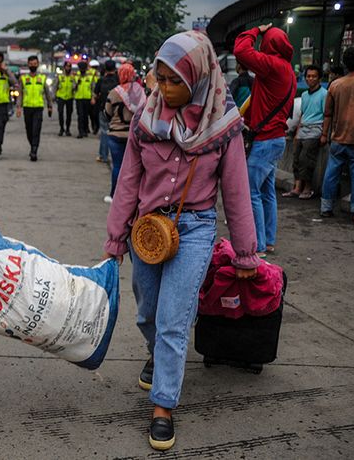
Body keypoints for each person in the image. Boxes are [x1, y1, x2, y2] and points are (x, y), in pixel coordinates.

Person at [103, 31, 259, 452]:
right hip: (147, 230)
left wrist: (247, 252)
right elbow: (128, 185)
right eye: (160, 78)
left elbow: (237, 190)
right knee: (148, 312)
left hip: (195, 229)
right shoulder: (143, 119)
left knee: (174, 318)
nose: (165, 89)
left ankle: (163, 406)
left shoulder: (223, 125)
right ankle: (157, 355)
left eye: (175, 80)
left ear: (199, 78)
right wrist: (115, 240)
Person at [234, 23, 295, 258]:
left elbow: (241, 51)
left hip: (267, 140)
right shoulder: (286, 69)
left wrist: (255, 30)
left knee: (251, 192)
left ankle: (258, 245)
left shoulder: (272, 65)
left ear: (269, 44)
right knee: (267, 192)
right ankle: (268, 240)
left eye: (264, 42)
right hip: (276, 138)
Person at [319, 46, 354, 223]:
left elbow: (327, 113)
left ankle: (326, 207)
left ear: (344, 64)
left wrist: (324, 135)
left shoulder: (335, 85)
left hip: (338, 137)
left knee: (331, 174)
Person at [102, 62, 146, 203]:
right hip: (134, 136)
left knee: (118, 166)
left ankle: (114, 195)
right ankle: (132, 197)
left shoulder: (114, 92)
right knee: (134, 168)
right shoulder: (140, 91)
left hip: (115, 135)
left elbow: (107, 114)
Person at [282, 65, 326, 200]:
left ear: (319, 78)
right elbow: (302, 114)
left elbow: (326, 115)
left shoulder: (324, 94)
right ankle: (297, 188)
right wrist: (297, 132)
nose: (310, 79)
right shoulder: (304, 95)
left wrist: (324, 134)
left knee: (306, 160)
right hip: (302, 130)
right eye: (308, 76)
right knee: (296, 159)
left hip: (315, 130)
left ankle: (307, 188)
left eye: (314, 76)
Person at [16, 55, 53, 161]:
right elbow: (20, 94)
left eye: (35, 64)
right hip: (27, 107)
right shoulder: (23, 78)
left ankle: (34, 150)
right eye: (31, 64)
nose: (33, 65)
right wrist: (19, 107)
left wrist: (50, 106)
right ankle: (32, 145)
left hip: (38, 107)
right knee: (29, 130)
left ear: (38, 64)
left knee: (36, 130)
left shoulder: (42, 78)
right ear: (28, 65)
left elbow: (47, 93)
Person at [92, 59, 119, 164]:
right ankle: (115, 155)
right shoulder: (118, 80)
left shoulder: (101, 80)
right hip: (116, 110)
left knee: (104, 132)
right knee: (116, 132)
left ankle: (103, 155)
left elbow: (95, 95)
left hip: (103, 108)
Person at [53, 61, 75, 136]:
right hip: (61, 97)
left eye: (69, 66)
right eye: (67, 66)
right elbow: (55, 86)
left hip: (70, 97)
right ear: (64, 67)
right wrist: (54, 96)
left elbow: (75, 87)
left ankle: (68, 129)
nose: (68, 68)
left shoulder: (73, 77)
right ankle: (61, 128)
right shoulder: (60, 76)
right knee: (60, 113)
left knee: (69, 114)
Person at [74, 61, 95, 138]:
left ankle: (85, 130)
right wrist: (76, 84)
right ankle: (80, 131)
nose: (82, 70)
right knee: (80, 115)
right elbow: (73, 88)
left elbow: (93, 88)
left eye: (83, 68)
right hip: (78, 98)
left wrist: (93, 97)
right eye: (80, 68)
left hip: (87, 98)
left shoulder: (90, 76)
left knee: (86, 115)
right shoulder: (76, 76)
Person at [88, 59, 101, 134]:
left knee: (96, 113)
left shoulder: (99, 75)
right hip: (89, 96)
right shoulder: (88, 75)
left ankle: (96, 127)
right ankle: (93, 126)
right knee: (91, 114)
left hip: (97, 97)